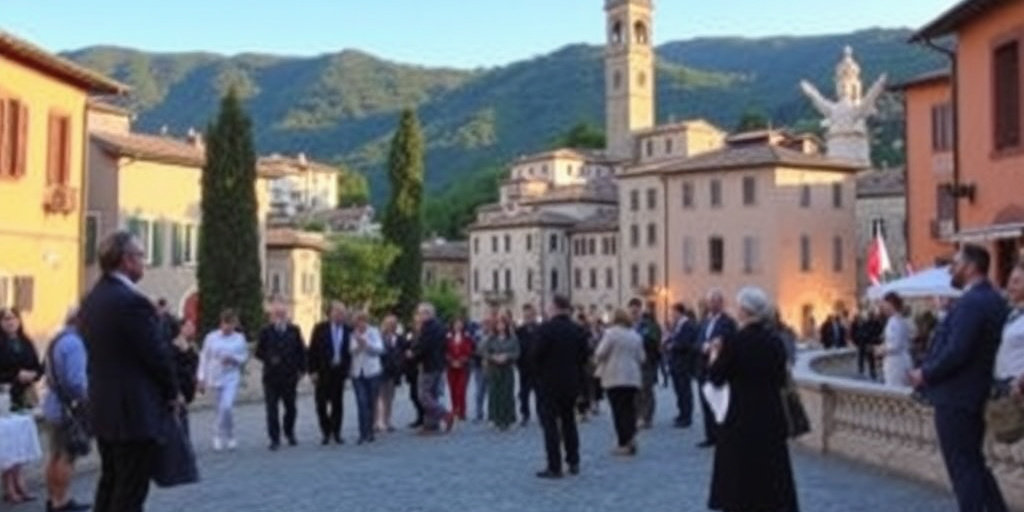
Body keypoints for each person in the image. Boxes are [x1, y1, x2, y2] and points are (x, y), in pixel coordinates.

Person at [78, 231, 179, 512]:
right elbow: (155, 356)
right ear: (127, 260)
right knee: (130, 489)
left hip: (104, 405)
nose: (144, 263)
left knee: (110, 480)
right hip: (133, 409)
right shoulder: (131, 301)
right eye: (141, 256)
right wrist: (173, 392)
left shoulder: (93, 298)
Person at [910, 244, 1009, 512]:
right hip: (975, 393)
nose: (951, 269)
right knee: (974, 465)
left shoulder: (971, 303)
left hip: (956, 397)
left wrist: (925, 373)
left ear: (969, 266)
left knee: (963, 469)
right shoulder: (995, 300)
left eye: (955, 263)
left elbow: (957, 351)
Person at [707, 287, 799, 512]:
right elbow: (780, 378)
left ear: (745, 311)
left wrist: (715, 354)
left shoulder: (733, 341)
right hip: (770, 415)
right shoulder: (775, 342)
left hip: (740, 417)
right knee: (771, 475)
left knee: (739, 477)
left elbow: (716, 377)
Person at [533, 295, 590, 479]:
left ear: (555, 307)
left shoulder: (546, 329)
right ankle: (573, 461)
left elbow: (535, 355)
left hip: (549, 383)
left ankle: (554, 466)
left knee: (550, 425)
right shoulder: (577, 330)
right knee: (569, 422)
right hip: (571, 383)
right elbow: (584, 356)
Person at [42, 307, 91, 512]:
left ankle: (54, 499)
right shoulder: (75, 344)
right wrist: (88, 399)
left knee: (54, 455)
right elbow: (76, 382)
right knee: (66, 456)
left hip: (53, 404)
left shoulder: (58, 339)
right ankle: (60, 502)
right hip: (67, 409)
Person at [0, 306, 43, 505]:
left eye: (13, 318)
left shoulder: (26, 341)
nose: (10, 322)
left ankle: (19, 481)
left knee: (21, 442)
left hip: (24, 396)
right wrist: (16, 375)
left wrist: (35, 374)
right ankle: (9, 487)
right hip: (6, 399)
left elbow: (37, 365)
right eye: (6, 319)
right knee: (9, 444)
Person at [256, 301, 307, 450]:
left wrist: (302, 369)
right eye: (276, 314)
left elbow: (301, 351)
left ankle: (289, 432)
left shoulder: (294, 330)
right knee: (271, 409)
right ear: (271, 316)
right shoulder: (265, 331)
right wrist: (269, 357)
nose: (279, 316)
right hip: (271, 376)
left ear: (287, 315)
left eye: (282, 314)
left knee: (290, 407)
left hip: (289, 375)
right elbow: (258, 352)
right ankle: (274, 438)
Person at [197, 309, 249, 451]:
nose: (228, 328)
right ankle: (228, 435)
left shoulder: (239, 338)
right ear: (221, 323)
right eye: (226, 324)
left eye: (231, 325)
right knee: (220, 408)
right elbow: (204, 357)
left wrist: (234, 359)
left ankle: (219, 435)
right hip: (215, 375)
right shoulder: (211, 337)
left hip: (231, 376)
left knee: (227, 406)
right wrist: (201, 377)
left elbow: (244, 357)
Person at [595, 309, 644, 456]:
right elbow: (642, 357)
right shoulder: (635, 335)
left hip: (615, 376)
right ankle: (631, 437)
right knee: (629, 409)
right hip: (632, 377)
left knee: (618, 411)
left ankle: (623, 443)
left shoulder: (611, 334)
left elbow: (600, 352)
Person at [696, 289, 737, 449]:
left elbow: (729, 341)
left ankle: (722, 435)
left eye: (715, 301)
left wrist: (715, 346)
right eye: (710, 301)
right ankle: (710, 436)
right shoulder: (705, 321)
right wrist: (703, 346)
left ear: (721, 303)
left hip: (718, 368)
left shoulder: (728, 322)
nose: (711, 304)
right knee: (705, 402)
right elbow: (698, 340)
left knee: (719, 403)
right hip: (703, 366)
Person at [307, 302, 351, 445]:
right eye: (338, 312)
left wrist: (347, 371)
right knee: (321, 404)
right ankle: (326, 432)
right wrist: (312, 371)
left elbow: (350, 353)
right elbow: (312, 350)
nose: (341, 315)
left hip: (339, 372)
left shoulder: (348, 330)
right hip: (322, 372)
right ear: (330, 313)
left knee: (337, 404)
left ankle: (336, 433)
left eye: (343, 313)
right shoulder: (320, 329)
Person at [409, 303, 455, 434]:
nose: (419, 316)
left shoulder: (428, 328)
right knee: (433, 394)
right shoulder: (440, 326)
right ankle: (431, 425)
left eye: (421, 313)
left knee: (424, 396)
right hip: (438, 364)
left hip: (428, 365)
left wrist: (412, 354)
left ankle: (445, 414)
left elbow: (424, 346)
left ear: (428, 314)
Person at [349, 311, 384, 444]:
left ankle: (369, 431)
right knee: (361, 402)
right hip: (357, 373)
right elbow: (350, 351)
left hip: (372, 372)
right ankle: (362, 433)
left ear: (366, 321)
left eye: (361, 321)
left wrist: (366, 345)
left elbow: (379, 350)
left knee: (370, 402)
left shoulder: (374, 332)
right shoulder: (352, 334)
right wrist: (358, 345)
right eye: (357, 322)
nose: (359, 324)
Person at [481, 314, 520, 430]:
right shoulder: (491, 338)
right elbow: (484, 351)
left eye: (503, 324)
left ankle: (509, 418)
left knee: (507, 393)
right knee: (494, 393)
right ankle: (494, 418)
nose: (500, 326)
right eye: (498, 324)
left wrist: (507, 356)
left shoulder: (512, 338)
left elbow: (517, 352)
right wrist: (493, 357)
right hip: (494, 369)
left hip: (507, 368)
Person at [628, 298, 661, 430]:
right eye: (632, 312)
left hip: (647, 361)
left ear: (640, 310)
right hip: (632, 362)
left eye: (636, 311)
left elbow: (654, 342)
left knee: (646, 389)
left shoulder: (649, 325)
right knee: (635, 390)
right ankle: (637, 415)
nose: (634, 314)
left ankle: (646, 417)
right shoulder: (629, 325)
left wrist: (639, 339)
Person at [665, 303, 699, 428]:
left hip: (683, 363)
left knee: (685, 391)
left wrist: (673, 345)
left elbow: (687, 343)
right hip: (676, 362)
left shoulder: (687, 325)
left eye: (673, 312)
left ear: (679, 312)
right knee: (678, 390)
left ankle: (687, 417)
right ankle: (681, 413)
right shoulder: (677, 326)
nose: (672, 315)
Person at [996, 261, 1024, 398]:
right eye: (1009, 281)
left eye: (1016, 282)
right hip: (1002, 388)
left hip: (1018, 388)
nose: (1009, 286)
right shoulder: (1011, 314)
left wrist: (1021, 382)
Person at [877, 293, 913, 388]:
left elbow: (895, 345)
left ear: (890, 304)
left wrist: (881, 350)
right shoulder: (898, 320)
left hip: (896, 362)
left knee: (895, 388)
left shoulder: (895, 321)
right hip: (898, 360)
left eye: (884, 304)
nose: (883, 308)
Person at [376, 315, 404, 433]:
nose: (391, 326)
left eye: (394, 324)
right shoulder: (379, 337)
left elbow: (401, 352)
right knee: (380, 397)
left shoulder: (399, 338)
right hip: (381, 370)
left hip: (393, 371)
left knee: (390, 397)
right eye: (389, 323)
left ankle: (387, 420)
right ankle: (378, 421)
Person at [515, 304, 540, 426]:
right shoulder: (519, 331)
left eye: (530, 315)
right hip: (524, 367)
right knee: (524, 393)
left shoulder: (540, 329)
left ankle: (541, 414)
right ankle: (525, 414)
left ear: (534, 316)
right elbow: (516, 347)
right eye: (526, 316)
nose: (528, 318)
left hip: (538, 367)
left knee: (539, 393)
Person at [446, 318, 474, 421]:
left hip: (463, 367)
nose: (458, 326)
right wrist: (451, 361)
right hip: (451, 367)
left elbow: (469, 351)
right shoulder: (448, 337)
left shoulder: (467, 337)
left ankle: (462, 412)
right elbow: (445, 351)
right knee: (452, 389)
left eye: (460, 324)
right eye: (456, 324)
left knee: (461, 390)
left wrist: (461, 361)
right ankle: (454, 410)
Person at [398, 322, 424, 428]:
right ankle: (420, 416)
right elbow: (404, 346)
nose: (417, 325)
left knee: (418, 395)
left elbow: (422, 350)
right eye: (416, 323)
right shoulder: (410, 335)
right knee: (413, 395)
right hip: (411, 369)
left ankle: (423, 417)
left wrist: (413, 354)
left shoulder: (423, 336)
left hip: (420, 368)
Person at [850, 307, 883, 380]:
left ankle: (872, 372)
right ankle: (862, 371)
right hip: (865, 343)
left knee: (871, 359)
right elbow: (861, 333)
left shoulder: (877, 324)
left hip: (871, 343)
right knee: (864, 358)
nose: (872, 317)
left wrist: (875, 339)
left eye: (872, 315)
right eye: (871, 315)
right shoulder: (867, 323)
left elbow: (879, 332)